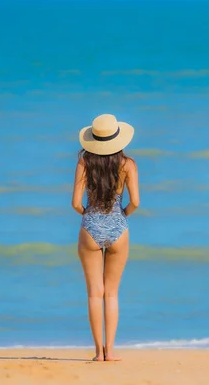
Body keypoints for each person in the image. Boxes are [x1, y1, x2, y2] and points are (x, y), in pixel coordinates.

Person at [71, 113, 140, 361]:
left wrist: (89, 214)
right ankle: (110, 352)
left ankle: (98, 352)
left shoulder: (84, 163)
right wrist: (121, 215)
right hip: (118, 227)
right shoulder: (128, 164)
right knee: (111, 293)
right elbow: (135, 202)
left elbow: (76, 204)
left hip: (90, 226)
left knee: (94, 293)